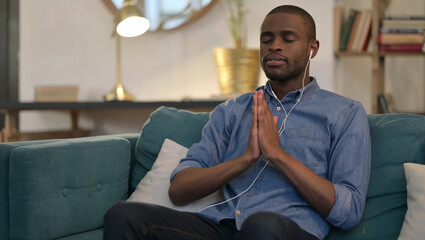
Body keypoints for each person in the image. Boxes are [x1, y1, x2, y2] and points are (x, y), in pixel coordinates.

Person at [103, 5, 371, 240]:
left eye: (287, 39)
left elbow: (348, 212)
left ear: (312, 48)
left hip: (286, 231)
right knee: (123, 215)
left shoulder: (344, 113)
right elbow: (179, 190)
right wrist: (245, 159)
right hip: (222, 226)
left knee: (262, 226)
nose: (274, 46)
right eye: (267, 39)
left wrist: (277, 155)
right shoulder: (232, 111)